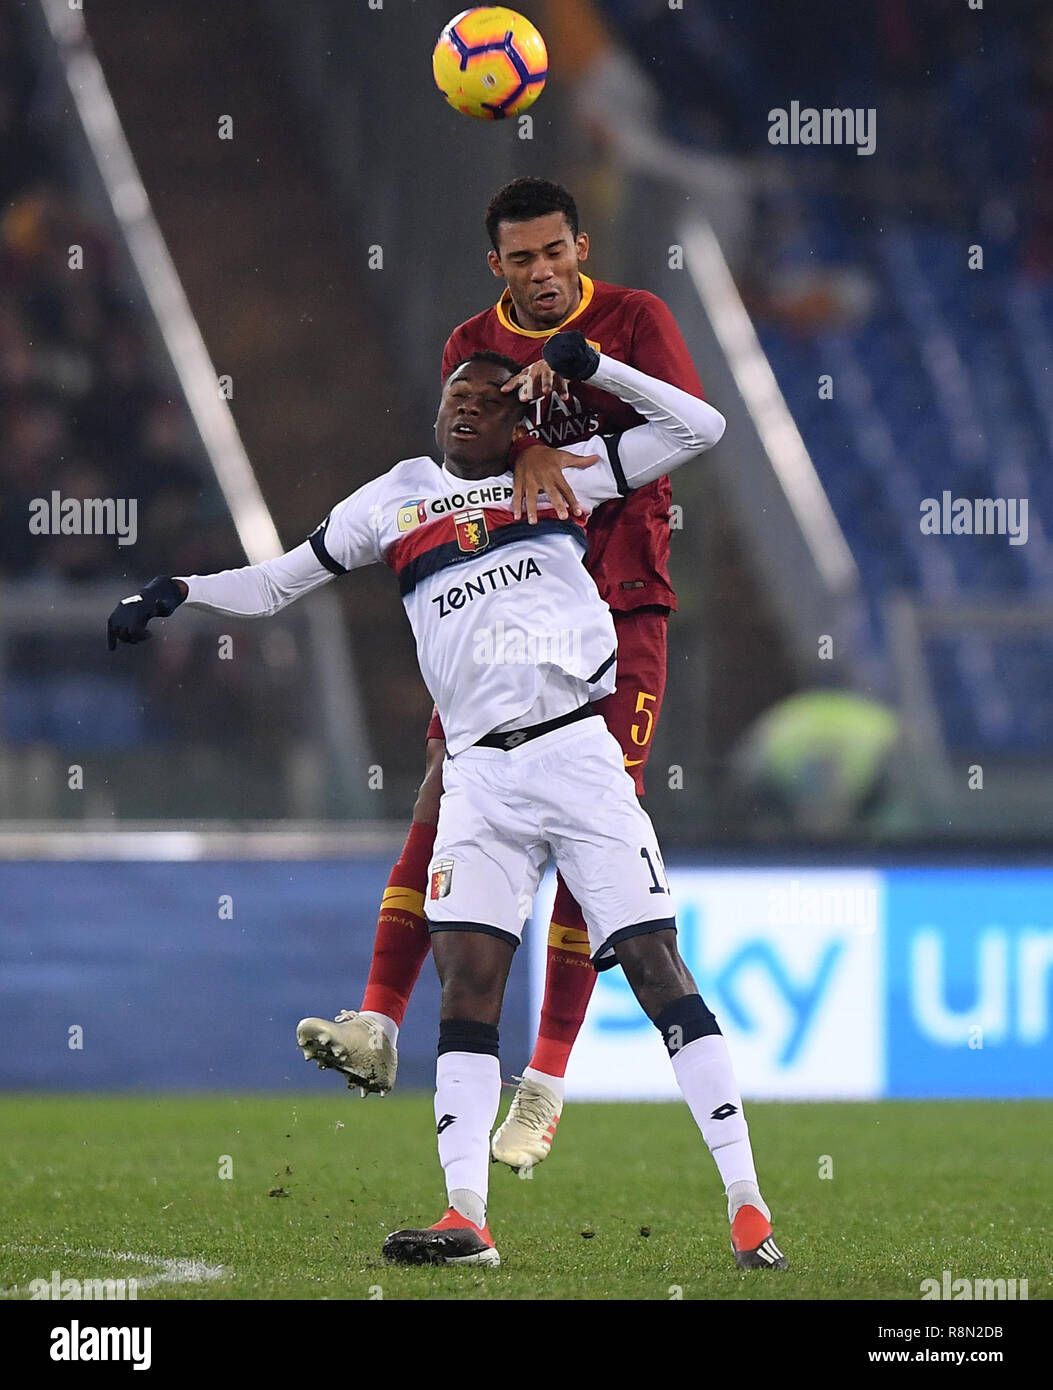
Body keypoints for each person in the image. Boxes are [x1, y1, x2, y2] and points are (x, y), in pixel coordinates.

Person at [107, 331, 787, 1273]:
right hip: (476, 775)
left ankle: (747, 1205)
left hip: (576, 753)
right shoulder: (391, 499)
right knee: (467, 992)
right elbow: (276, 582)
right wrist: (181, 589)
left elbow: (701, 425)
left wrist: (594, 369)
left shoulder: (562, 477)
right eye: (454, 394)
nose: (467, 403)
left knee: (653, 964)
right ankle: (466, 1217)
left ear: (520, 420)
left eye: (489, 396)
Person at [310, 177, 707, 1174]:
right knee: (442, 799)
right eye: (521, 258)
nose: (541, 271)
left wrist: (585, 384)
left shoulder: (635, 317)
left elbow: (684, 430)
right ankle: (377, 1021)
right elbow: (472, 452)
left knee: (594, 823)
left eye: (555, 253)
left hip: (625, 598)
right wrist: (523, 437)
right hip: (510, 618)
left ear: (581, 247)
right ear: (498, 265)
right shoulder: (464, 344)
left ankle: (546, 1080)